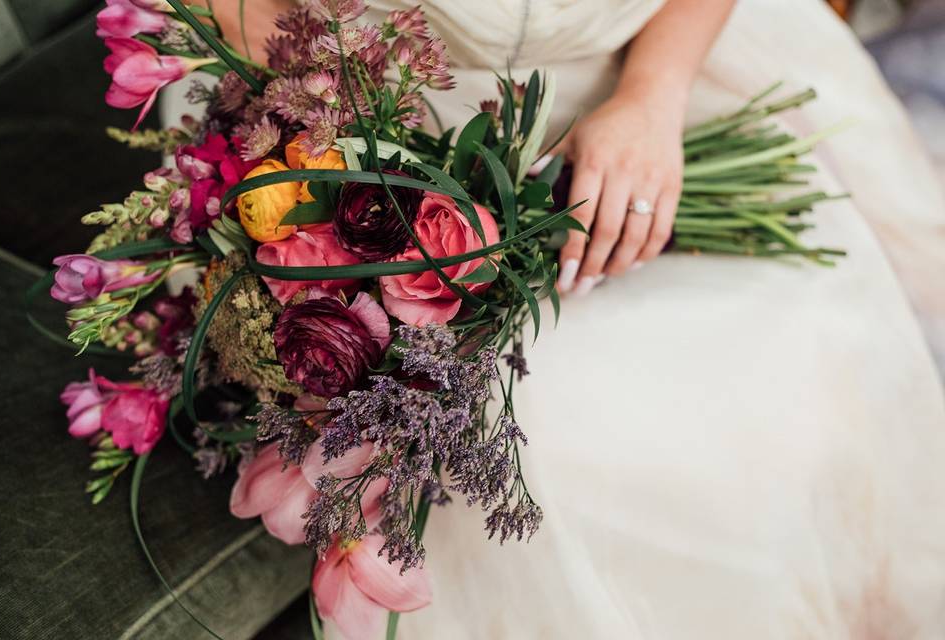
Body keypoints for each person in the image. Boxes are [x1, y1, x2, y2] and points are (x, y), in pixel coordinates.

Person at [180, 1, 945, 637]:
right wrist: (357, 156)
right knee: (552, 434)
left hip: (658, 59)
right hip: (380, 102)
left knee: (805, 334)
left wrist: (651, 95)